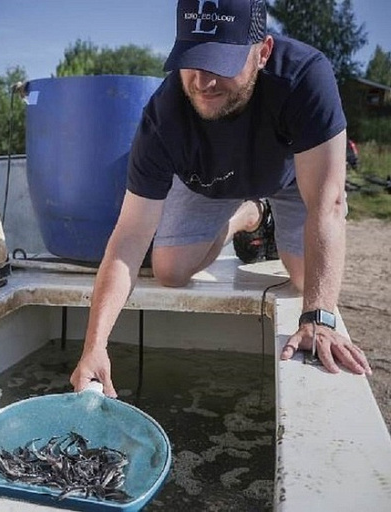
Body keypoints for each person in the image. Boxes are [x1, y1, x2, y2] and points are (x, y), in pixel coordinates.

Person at [70, 0, 371, 398]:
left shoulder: (305, 75)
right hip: (209, 182)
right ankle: (247, 215)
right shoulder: (162, 119)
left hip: (292, 177)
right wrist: (95, 346)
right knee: (170, 272)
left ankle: (266, 209)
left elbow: (328, 203)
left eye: (221, 63)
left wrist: (318, 318)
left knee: (304, 281)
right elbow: (129, 235)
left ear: (263, 52)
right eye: (193, 59)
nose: (204, 81)